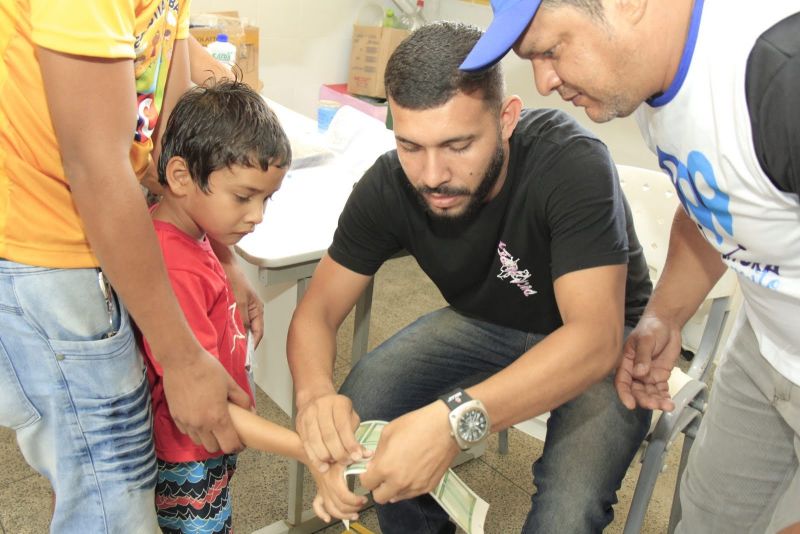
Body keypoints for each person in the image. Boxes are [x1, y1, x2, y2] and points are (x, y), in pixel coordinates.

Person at [288, 21, 653, 533]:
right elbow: (316, 312)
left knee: (569, 508)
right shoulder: (390, 183)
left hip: (603, 336)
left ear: (506, 119)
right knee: (366, 414)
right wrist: (313, 399)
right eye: (411, 146)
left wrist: (454, 420)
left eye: (458, 146)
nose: (432, 174)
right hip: (488, 320)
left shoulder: (571, 163)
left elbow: (593, 339)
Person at [460, 0, 800, 532]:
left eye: (550, 50)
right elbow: (713, 201)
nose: (544, 82)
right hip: (764, 342)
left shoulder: (781, 74)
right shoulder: (649, 80)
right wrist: (664, 315)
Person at [0, 3, 258, 531]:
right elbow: (97, 165)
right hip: (46, 254)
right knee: (111, 501)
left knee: (93, 477)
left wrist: (224, 253)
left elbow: (170, 134)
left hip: (97, 236)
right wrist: (183, 360)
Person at [142, 80, 350, 531]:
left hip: (206, 448)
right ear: (180, 177)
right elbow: (210, 407)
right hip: (190, 455)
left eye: (266, 198)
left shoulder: (192, 234)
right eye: (243, 197)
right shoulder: (175, 267)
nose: (258, 215)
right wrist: (305, 449)